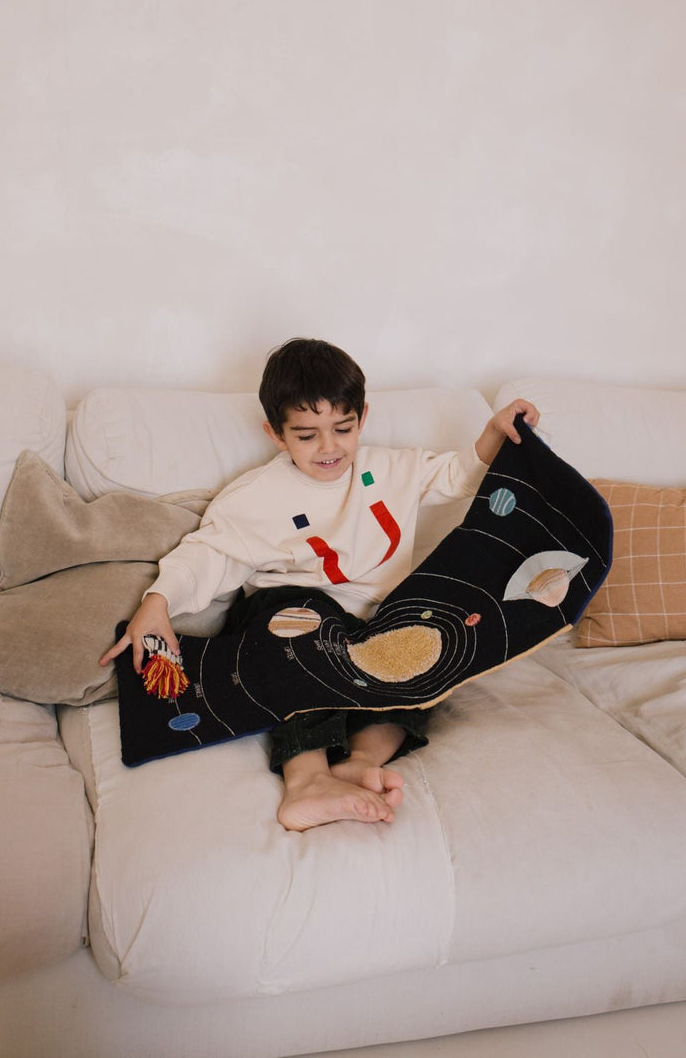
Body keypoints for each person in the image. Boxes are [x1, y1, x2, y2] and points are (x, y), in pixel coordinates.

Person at [101, 338, 540, 832]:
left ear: (362, 418)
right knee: (298, 635)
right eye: (307, 435)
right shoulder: (256, 496)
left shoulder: (392, 469)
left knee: (428, 658)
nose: (329, 448)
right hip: (295, 616)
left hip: (374, 623)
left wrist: (493, 432)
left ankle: (359, 763)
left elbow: (458, 475)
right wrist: (158, 601)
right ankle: (307, 779)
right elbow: (208, 553)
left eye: (343, 429)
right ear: (276, 434)